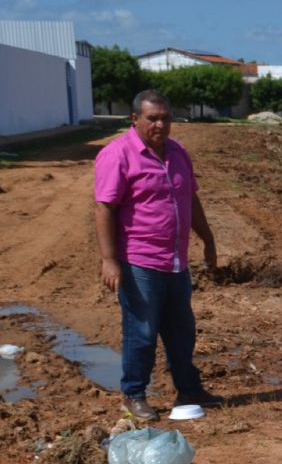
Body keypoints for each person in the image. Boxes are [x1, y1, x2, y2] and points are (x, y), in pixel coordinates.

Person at [94, 89, 221, 421]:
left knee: (182, 329)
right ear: (135, 119)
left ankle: (189, 390)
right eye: (152, 118)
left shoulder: (178, 154)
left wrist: (207, 240)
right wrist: (109, 260)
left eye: (166, 118)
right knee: (142, 331)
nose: (160, 125)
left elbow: (191, 201)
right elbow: (105, 208)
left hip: (175, 260)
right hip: (140, 261)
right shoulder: (117, 155)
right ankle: (134, 395)